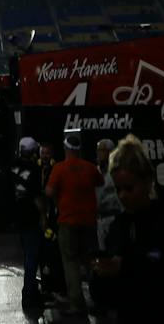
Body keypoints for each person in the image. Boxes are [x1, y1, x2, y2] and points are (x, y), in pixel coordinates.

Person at [91, 135, 164, 324]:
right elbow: (106, 297)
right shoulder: (119, 226)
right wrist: (101, 274)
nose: (122, 195)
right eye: (118, 189)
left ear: (147, 183)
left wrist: (125, 268)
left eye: (128, 188)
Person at [46, 134, 101, 317]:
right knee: (91, 262)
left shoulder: (60, 168)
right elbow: (100, 182)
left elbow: (49, 191)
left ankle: (77, 303)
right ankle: (98, 299)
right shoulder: (90, 168)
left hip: (68, 221)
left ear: (66, 149)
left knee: (71, 263)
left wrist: (58, 202)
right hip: (89, 222)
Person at [5, 137, 51, 313]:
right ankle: (30, 293)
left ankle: (30, 291)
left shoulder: (11, 167)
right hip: (31, 218)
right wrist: (43, 217)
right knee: (33, 256)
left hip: (17, 217)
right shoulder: (34, 169)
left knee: (28, 254)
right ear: (33, 152)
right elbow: (37, 197)